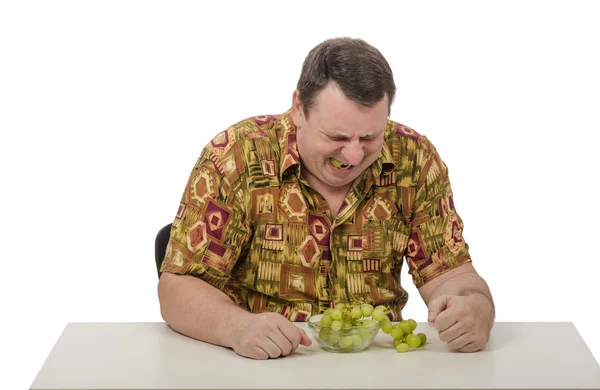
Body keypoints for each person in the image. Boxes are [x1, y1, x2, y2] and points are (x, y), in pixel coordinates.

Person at [158, 37, 495, 360]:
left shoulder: (415, 158)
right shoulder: (236, 154)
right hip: (265, 367)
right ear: (298, 110)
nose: (353, 154)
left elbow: (451, 275)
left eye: (369, 136)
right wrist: (236, 327)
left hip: (378, 371)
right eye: (337, 136)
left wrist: (474, 308)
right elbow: (177, 287)